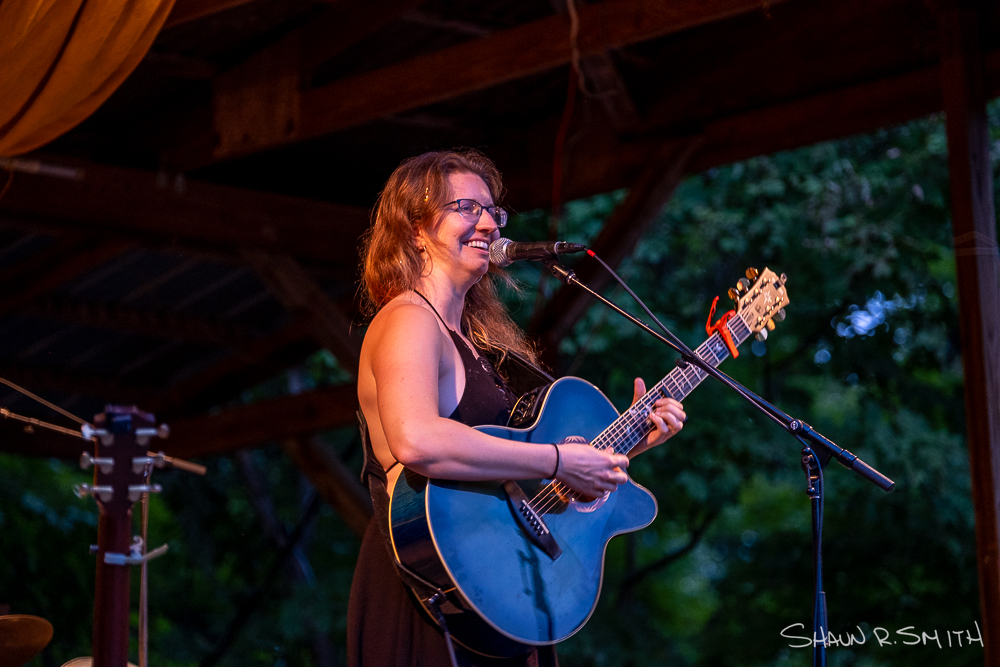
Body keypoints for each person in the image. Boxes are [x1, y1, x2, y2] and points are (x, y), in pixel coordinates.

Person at [347, 149, 687, 667]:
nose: (487, 222)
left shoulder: (475, 343)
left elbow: (516, 485)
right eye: (465, 207)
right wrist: (558, 459)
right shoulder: (408, 319)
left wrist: (625, 445)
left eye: (493, 211)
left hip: (500, 592)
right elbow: (416, 440)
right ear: (415, 229)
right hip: (428, 587)